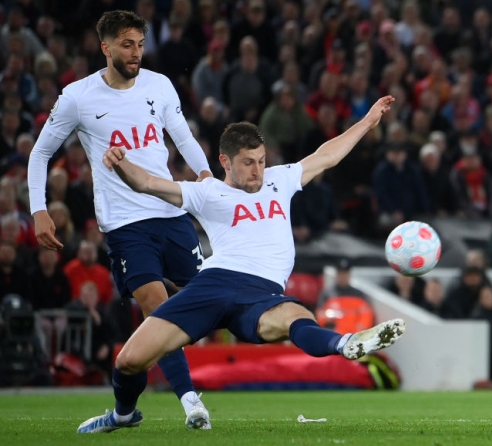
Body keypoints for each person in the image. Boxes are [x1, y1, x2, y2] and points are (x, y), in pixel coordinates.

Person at [76, 96, 404, 434]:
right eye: (248, 163)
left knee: (296, 316)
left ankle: (346, 344)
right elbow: (148, 183)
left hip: (261, 293)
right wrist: (120, 162)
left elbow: (327, 155)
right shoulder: (207, 192)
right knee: (129, 360)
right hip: (212, 285)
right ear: (225, 161)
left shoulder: (280, 179)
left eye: (261, 160)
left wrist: (367, 122)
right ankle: (123, 415)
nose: (257, 170)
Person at [27, 11, 213, 429]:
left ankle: (124, 413)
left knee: (206, 303)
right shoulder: (78, 97)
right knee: (155, 306)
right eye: (127, 45)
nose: (136, 53)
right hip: (127, 225)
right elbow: (40, 153)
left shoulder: (159, 85)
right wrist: (39, 209)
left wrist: (205, 176)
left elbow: (182, 137)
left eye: (140, 45)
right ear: (105, 47)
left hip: (171, 212)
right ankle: (191, 403)